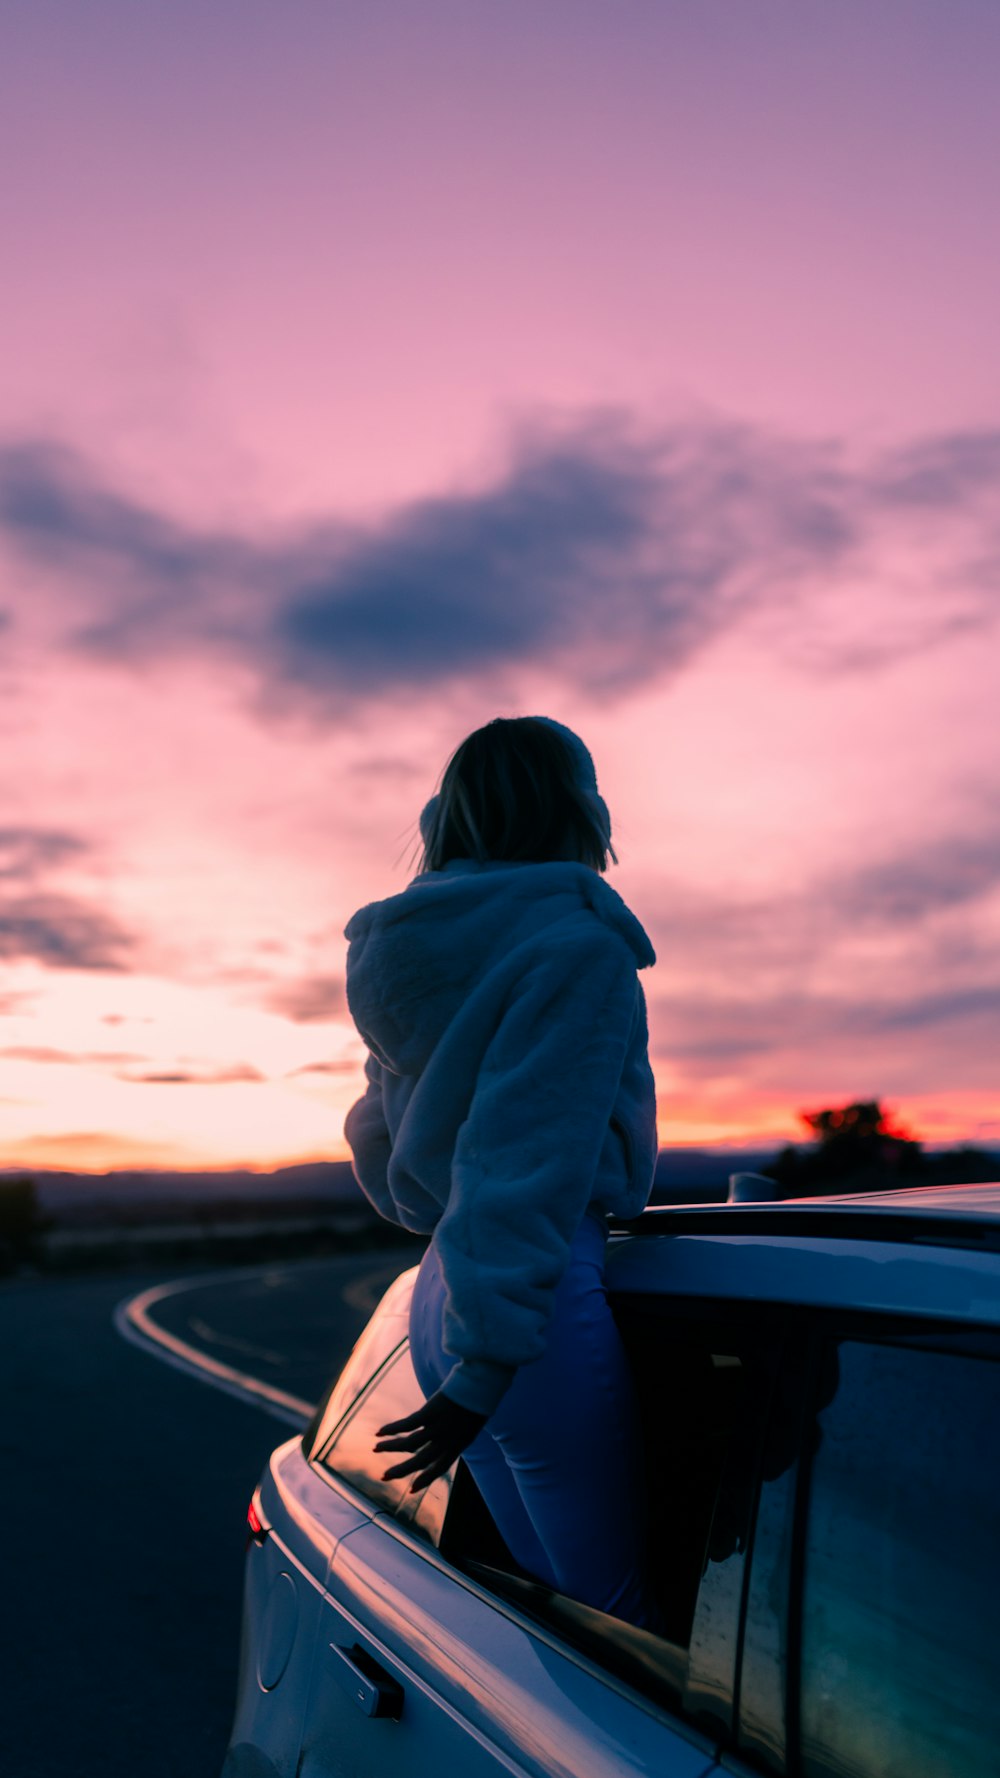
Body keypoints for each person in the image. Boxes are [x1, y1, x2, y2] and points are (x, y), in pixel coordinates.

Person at [342, 716, 660, 1629]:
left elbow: (383, 1138)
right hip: (529, 1312)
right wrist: (488, 1368)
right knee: (619, 1631)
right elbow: (526, 1157)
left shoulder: (405, 952)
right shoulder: (578, 947)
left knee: (552, 1625)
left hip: (447, 1294)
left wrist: (471, 1350)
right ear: (577, 808)